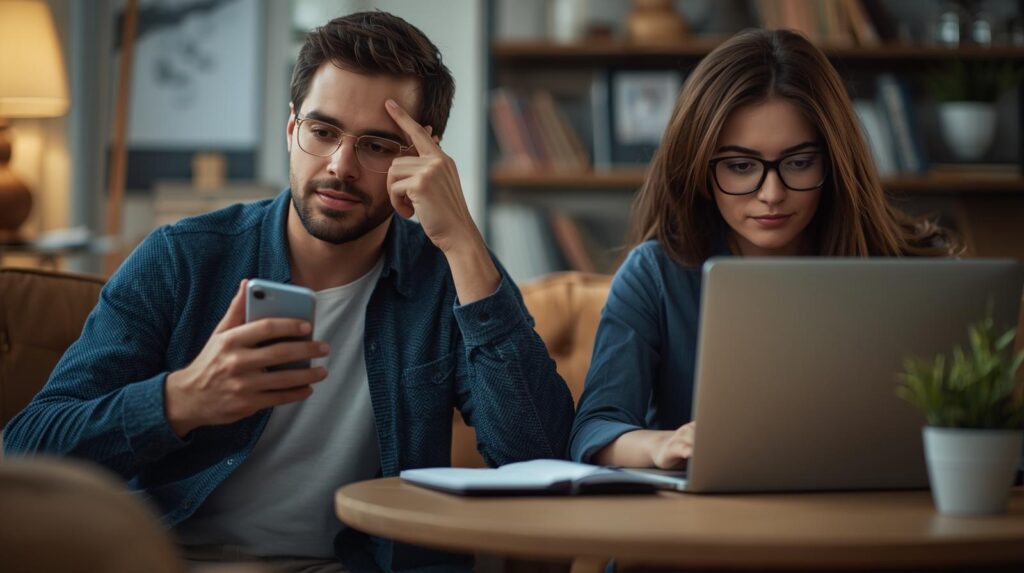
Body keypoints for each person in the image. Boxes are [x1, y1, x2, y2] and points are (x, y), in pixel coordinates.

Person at [5, 11, 573, 572]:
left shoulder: (452, 273)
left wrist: (465, 244)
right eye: (322, 132)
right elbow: (26, 447)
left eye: (377, 145)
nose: (340, 166)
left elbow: (539, 460)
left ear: (422, 157)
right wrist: (182, 400)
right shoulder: (182, 258)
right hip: (178, 560)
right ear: (291, 128)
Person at [569, 28, 955, 470]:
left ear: (834, 164)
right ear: (698, 169)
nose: (771, 193)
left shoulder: (906, 271)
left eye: (798, 162)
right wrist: (662, 445)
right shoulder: (656, 274)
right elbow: (596, 429)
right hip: (705, 523)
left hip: (873, 512)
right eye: (740, 166)